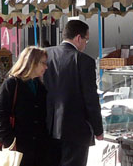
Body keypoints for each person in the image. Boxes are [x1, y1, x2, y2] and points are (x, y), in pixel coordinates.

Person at [43, 20, 103, 166]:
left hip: (47, 126)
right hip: (75, 130)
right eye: (86, 39)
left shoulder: (45, 55)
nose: (86, 44)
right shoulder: (83, 61)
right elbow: (90, 98)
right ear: (78, 38)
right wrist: (98, 129)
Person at [0, 46, 51, 166]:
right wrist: (9, 141)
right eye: (43, 63)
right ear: (32, 62)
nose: (46, 67)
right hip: (18, 145)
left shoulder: (40, 85)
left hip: (38, 148)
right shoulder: (12, 84)